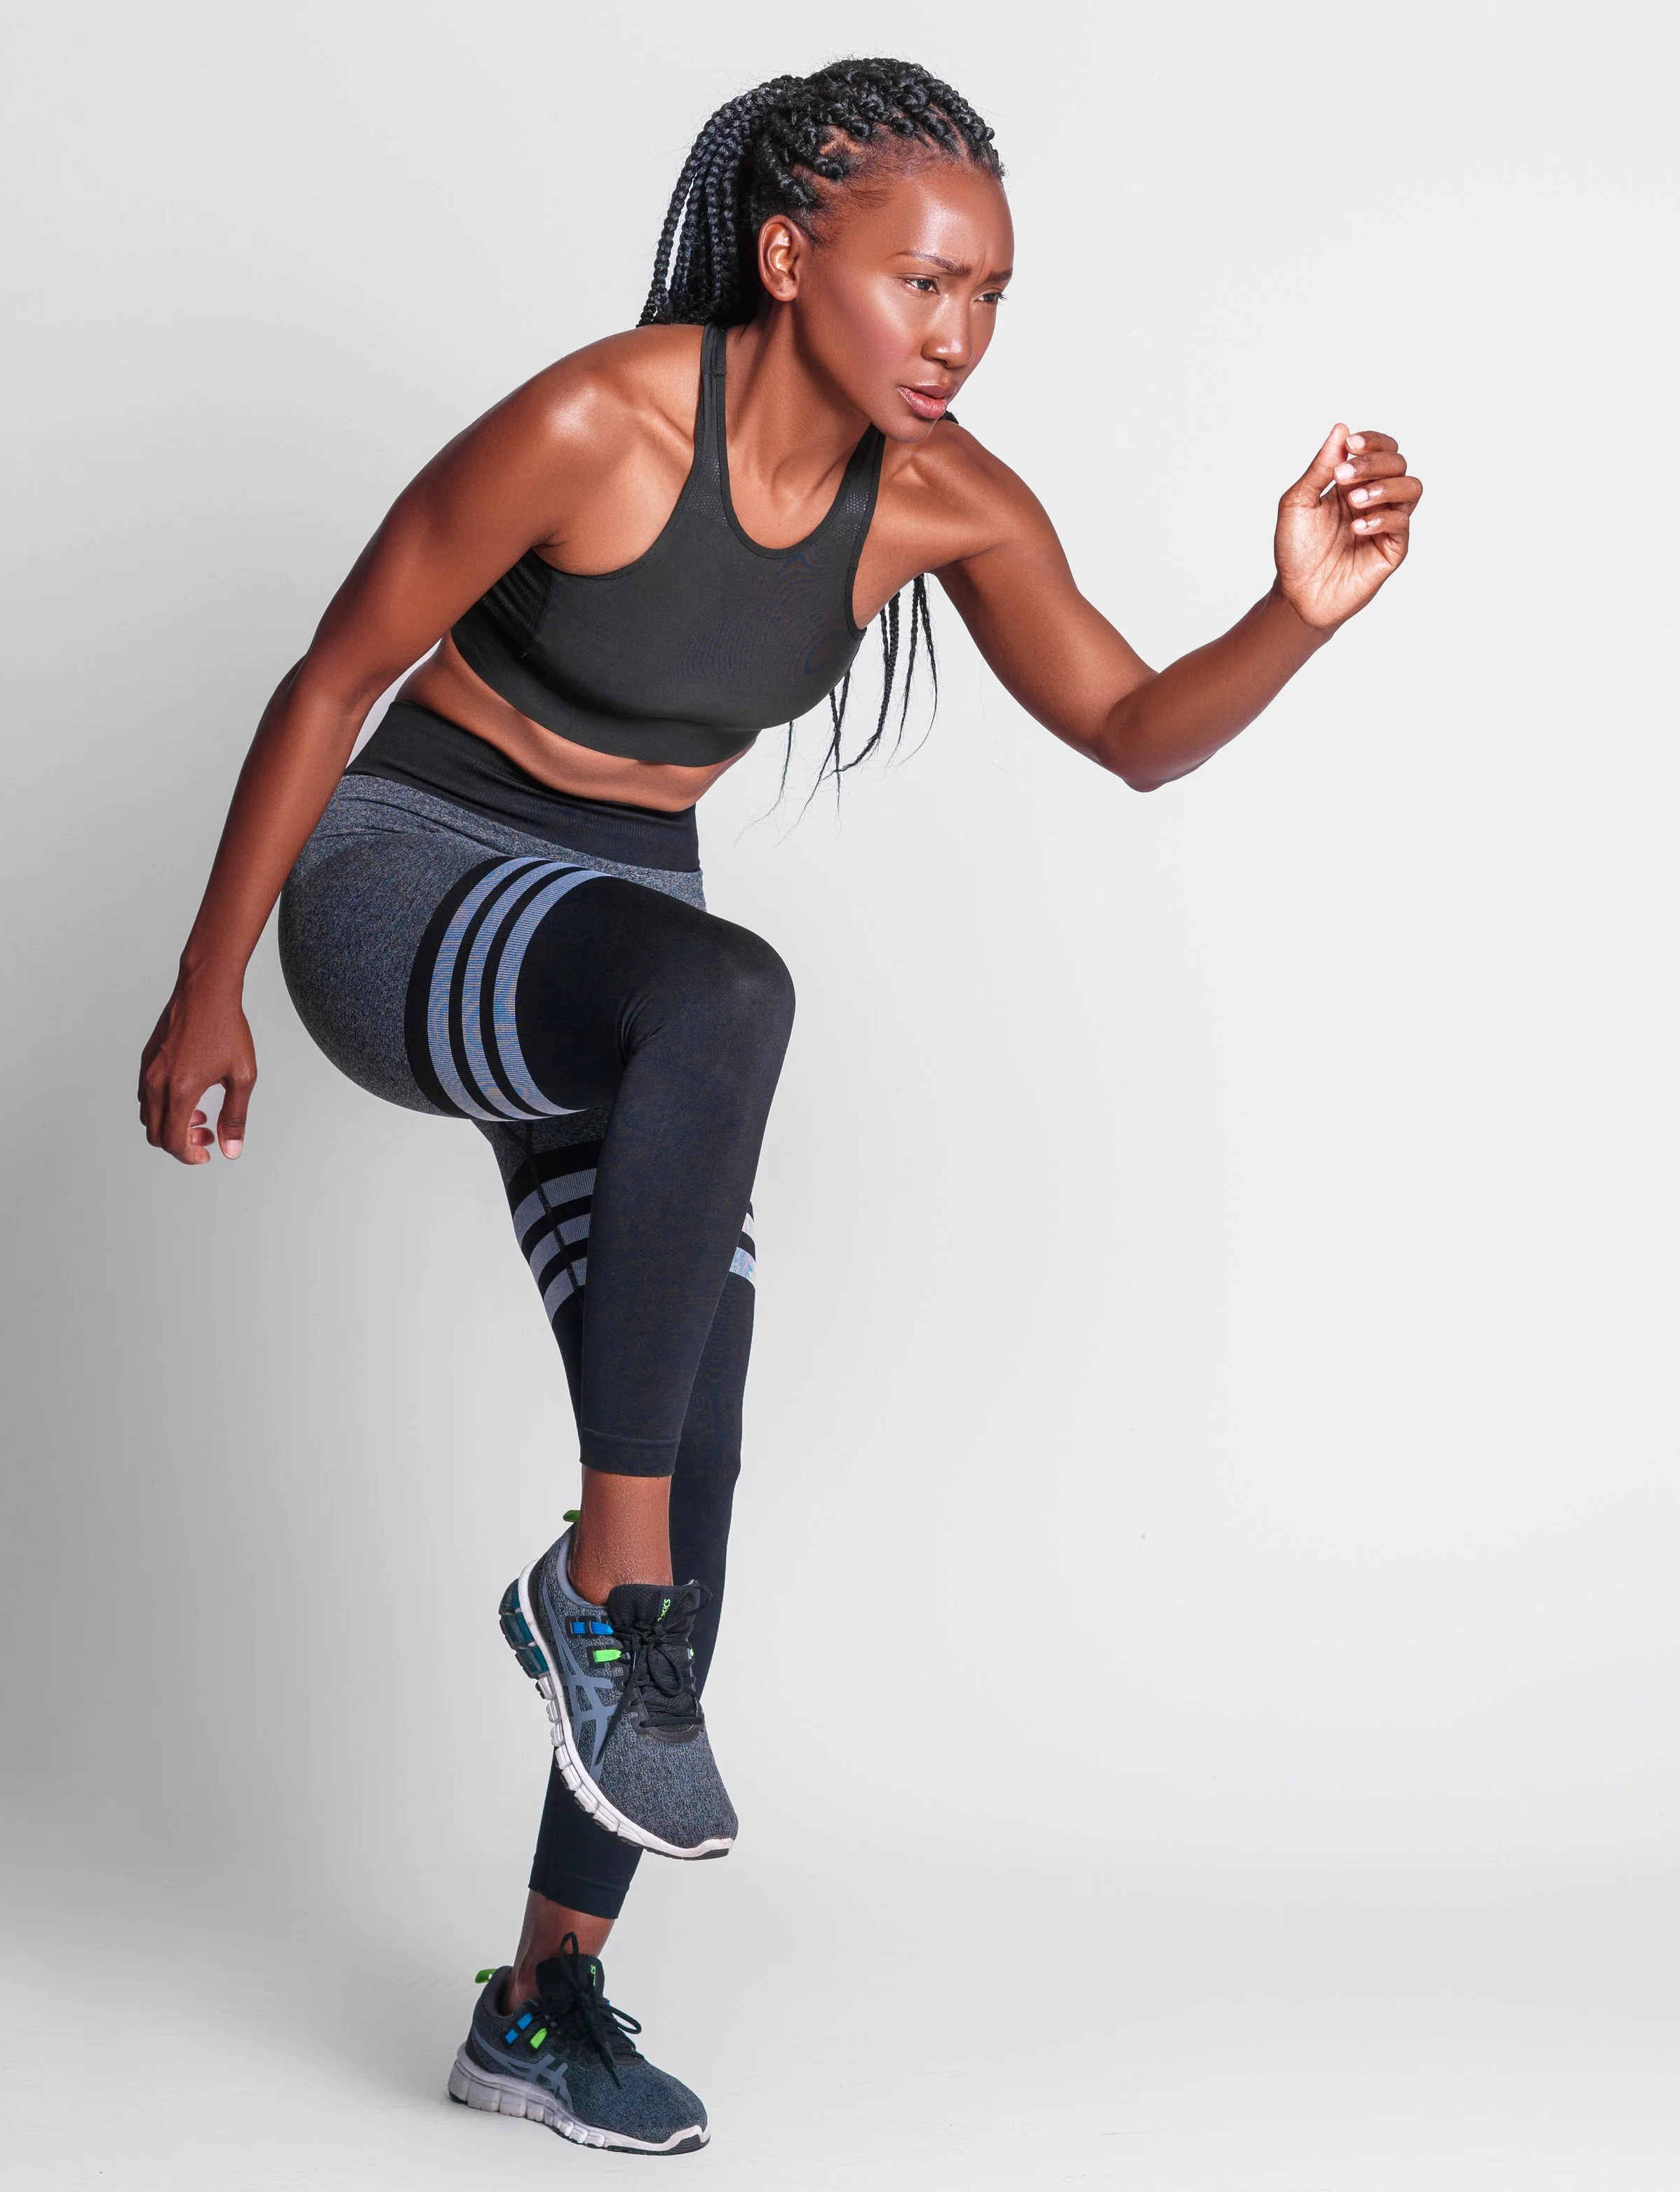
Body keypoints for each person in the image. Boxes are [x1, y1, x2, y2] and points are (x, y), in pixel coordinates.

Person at [137, 58, 1421, 2156]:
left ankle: (544, 1993)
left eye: (991, 293)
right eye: (922, 279)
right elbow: (333, 670)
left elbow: (1123, 726)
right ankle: (598, 1591)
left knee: (696, 1404)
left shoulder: (950, 504)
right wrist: (208, 986)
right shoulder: (600, 419)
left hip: (632, 959)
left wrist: (1287, 611)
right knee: (727, 1006)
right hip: (404, 884)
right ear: (789, 255)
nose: (956, 331)